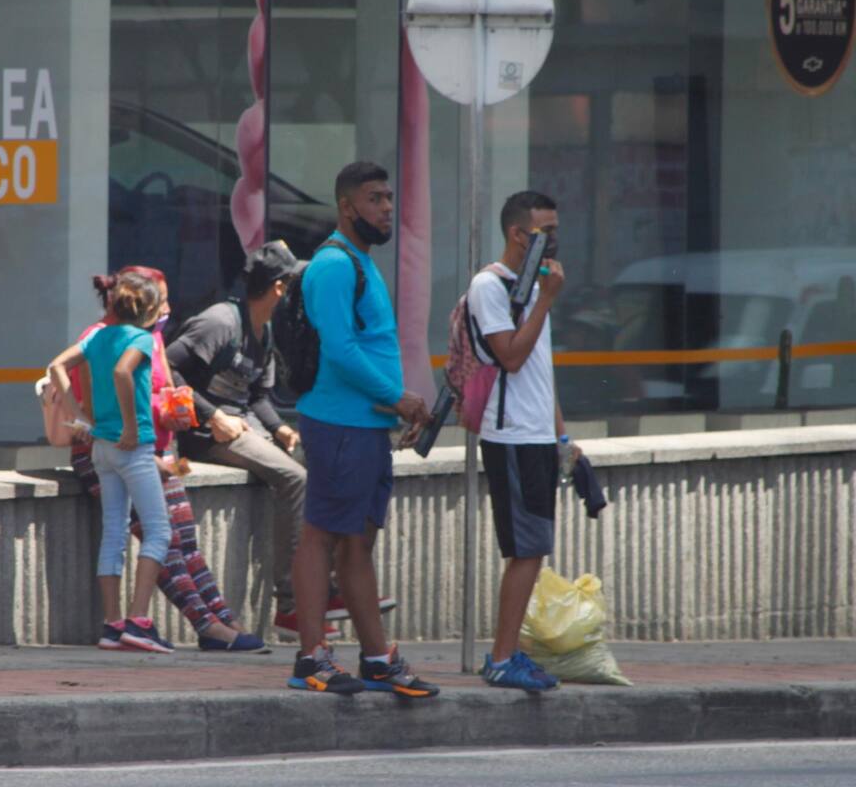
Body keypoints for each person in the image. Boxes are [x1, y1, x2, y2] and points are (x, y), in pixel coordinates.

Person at [166, 241, 392, 640]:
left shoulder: (265, 329)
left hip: (245, 425)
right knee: (294, 479)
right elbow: (166, 365)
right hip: (206, 433)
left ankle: (330, 587)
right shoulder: (220, 322)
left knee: (320, 464)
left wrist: (279, 428)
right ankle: (291, 607)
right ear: (279, 287)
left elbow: (257, 396)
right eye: (294, 283)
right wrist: (212, 415)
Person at [287, 161, 438, 697]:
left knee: (357, 545)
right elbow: (340, 349)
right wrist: (396, 397)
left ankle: (376, 660)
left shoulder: (360, 263)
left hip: (365, 427)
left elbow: (366, 347)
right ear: (347, 206)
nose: (387, 208)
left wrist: (396, 408)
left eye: (389, 197)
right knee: (320, 536)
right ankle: (311, 659)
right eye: (375, 199)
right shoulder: (333, 265)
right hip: (338, 425)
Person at [67, 267, 267, 653]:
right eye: (160, 301)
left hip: (156, 448)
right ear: (138, 302)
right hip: (126, 450)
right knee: (161, 538)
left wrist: (172, 415)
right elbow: (103, 393)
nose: (167, 309)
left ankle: (221, 618)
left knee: (184, 538)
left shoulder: (152, 339)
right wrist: (117, 426)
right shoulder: (108, 338)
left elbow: (160, 391)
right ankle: (186, 623)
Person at [466, 190, 580, 692]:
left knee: (534, 549)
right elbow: (510, 357)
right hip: (510, 434)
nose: (554, 239)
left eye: (555, 229)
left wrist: (562, 436)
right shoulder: (490, 286)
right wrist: (547, 298)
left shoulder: (533, 287)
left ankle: (509, 652)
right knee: (526, 549)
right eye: (544, 231)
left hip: (536, 434)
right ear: (517, 234)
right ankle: (501, 657)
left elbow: (540, 372)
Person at [47, 271, 176, 654]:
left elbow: (56, 367)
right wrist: (132, 427)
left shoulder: (98, 336)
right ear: (149, 309)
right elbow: (123, 372)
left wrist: (80, 417)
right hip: (131, 447)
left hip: (101, 447)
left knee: (114, 533)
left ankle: (113, 624)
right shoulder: (142, 339)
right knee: (159, 532)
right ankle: (138, 621)